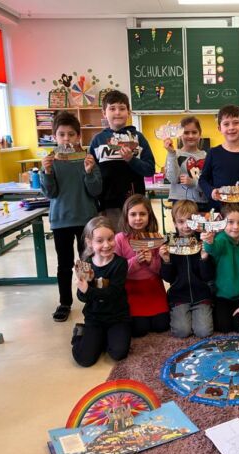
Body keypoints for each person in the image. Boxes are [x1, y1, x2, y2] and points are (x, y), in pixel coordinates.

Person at [40, 111, 102, 322]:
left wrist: (89, 171)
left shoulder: (87, 159)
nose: (66, 139)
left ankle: (89, 297)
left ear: (78, 136)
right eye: (61, 134)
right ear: (54, 137)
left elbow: (96, 190)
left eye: (71, 134)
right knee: (64, 264)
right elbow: (50, 193)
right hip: (61, 220)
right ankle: (65, 302)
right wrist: (47, 173)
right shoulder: (50, 161)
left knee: (87, 261)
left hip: (86, 219)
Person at [89, 90, 155, 230]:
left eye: (122, 108)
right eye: (112, 108)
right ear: (104, 113)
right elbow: (91, 173)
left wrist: (131, 159)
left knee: (135, 240)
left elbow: (150, 170)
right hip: (108, 204)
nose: (117, 112)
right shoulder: (98, 140)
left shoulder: (138, 138)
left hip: (135, 204)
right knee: (112, 239)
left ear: (128, 112)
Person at [72, 216, 131, 367]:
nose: (106, 245)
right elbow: (82, 297)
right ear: (89, 242)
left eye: (110, 239)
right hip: (94, 318)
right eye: (99, 241)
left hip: (117, 317)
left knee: (118, 353)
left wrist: (88, 290)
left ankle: (104, 338)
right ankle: (80, 333)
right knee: (85, 359)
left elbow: (113, 293)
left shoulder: (120, 263)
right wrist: (84, 288)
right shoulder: (85, 264)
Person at [114, 194, 170, 337]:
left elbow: (161, 270)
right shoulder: (119, 239)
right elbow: (116, 270)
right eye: (133, 214)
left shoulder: (156, 237)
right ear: (126, 216)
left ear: (149, 216)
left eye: (142, 214)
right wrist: (135, 262)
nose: (138, 218)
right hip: (131, 289)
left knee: (162, 325)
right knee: (139, 329)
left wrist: (152, 261)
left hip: (154, 287)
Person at [159, 200, 214, 338]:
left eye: (190, 221)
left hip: (201, 295)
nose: (186, 226)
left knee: (204, 331)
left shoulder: (203, 242)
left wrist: (204, 258)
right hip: (179, 296)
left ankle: (204, 311)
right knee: (182, 331)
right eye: (181, 221)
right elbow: (168, 278)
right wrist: (166, 261)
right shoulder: (169, 244)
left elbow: (208, 276)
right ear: (174, 223)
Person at [201, 203, 239, 333]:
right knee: (223, 327)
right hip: (222, 296)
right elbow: (213, 249)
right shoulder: (220, 239)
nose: (235, 227)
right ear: (223, 222)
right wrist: (208, 241)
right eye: (230, 222)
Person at [198, 105, 239, 212]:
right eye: (226, 124)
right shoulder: (213, 153)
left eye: (236, 123)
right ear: (219, 128)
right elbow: (203, 179)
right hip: (217, 211)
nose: (231, 127)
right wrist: (211, 191)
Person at [164, 116, 209, 210]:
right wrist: (171, 153)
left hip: (201, 203)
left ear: (200, 134)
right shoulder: (174, 154)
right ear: (180, 135)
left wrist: (194, 182)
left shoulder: (206, 156)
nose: (191, 136)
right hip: (180, 203)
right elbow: (172, 179)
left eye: (194, 132)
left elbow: (209, 182)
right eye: (186, 132)